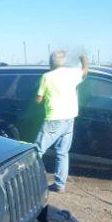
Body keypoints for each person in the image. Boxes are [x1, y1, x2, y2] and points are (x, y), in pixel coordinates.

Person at [35, 50, 89, 192]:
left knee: (37, 150)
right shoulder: (72, 73)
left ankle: (31, 181)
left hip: (53, 118)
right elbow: (84, 71)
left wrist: (40, 98)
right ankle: (60, 184)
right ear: (63, 62)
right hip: (69, 118)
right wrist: (84, 59)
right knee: (63, 152)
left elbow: (38, 99)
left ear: (50, 63)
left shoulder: (46, 77)